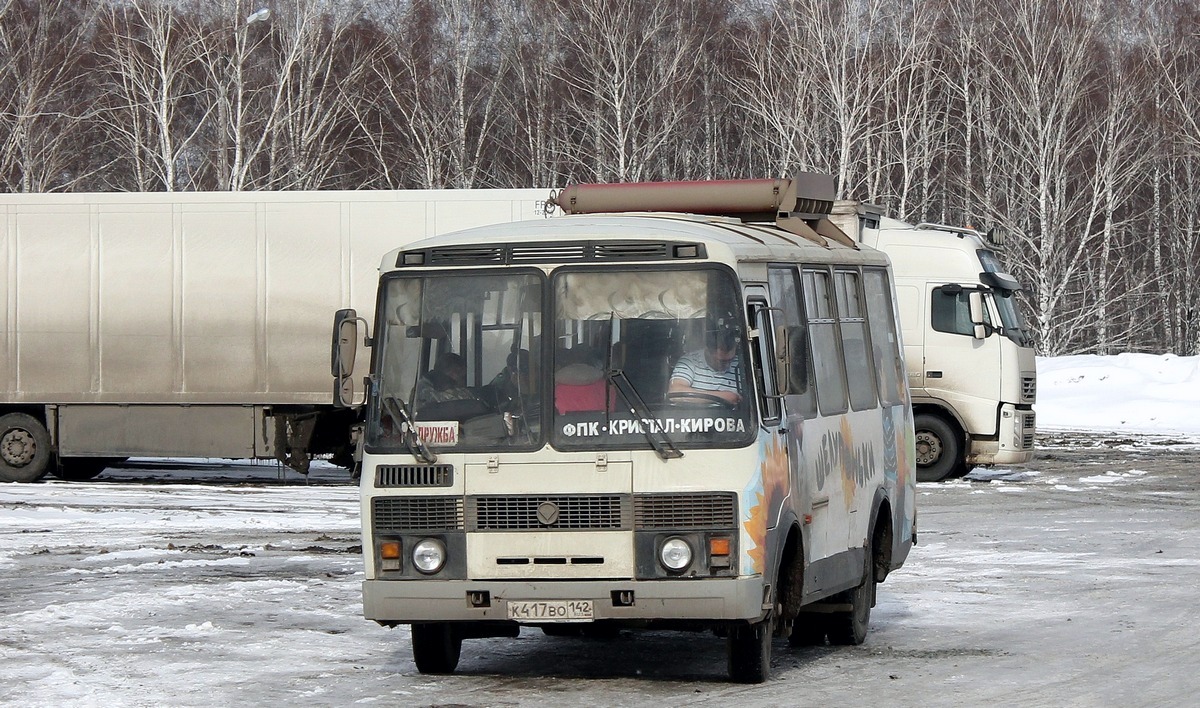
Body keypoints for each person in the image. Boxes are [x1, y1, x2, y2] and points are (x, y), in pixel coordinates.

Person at [669, 320, 743, 405]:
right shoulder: (690, 362)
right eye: (721, 361)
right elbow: (675, 393)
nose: (727, 365)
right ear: (707, 351)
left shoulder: (741, 365)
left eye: (730, 360)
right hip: (696, 415)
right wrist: (723, 397)